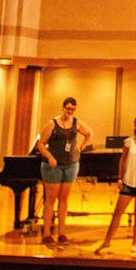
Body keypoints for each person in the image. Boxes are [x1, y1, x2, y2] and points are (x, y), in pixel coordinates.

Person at [97, 114, 136, 255]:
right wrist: (120, 178)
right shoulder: (129, 142)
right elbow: (123, 161)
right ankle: (107, 240)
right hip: (129, 182)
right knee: (117, 213)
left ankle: (135, 242)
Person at [35, 95, 93, 246]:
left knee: (64, 200)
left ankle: (62, 233)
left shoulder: (76, 122)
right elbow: (40, 144)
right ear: (63, 108)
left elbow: (89, 134)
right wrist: (49, 157)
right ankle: (46, 233)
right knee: (50, 200)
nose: (70, 111)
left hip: (71, 164)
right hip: (53, 165)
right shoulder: (52, 124)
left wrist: (82, 146)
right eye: (68, 109)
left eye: (73, 109)